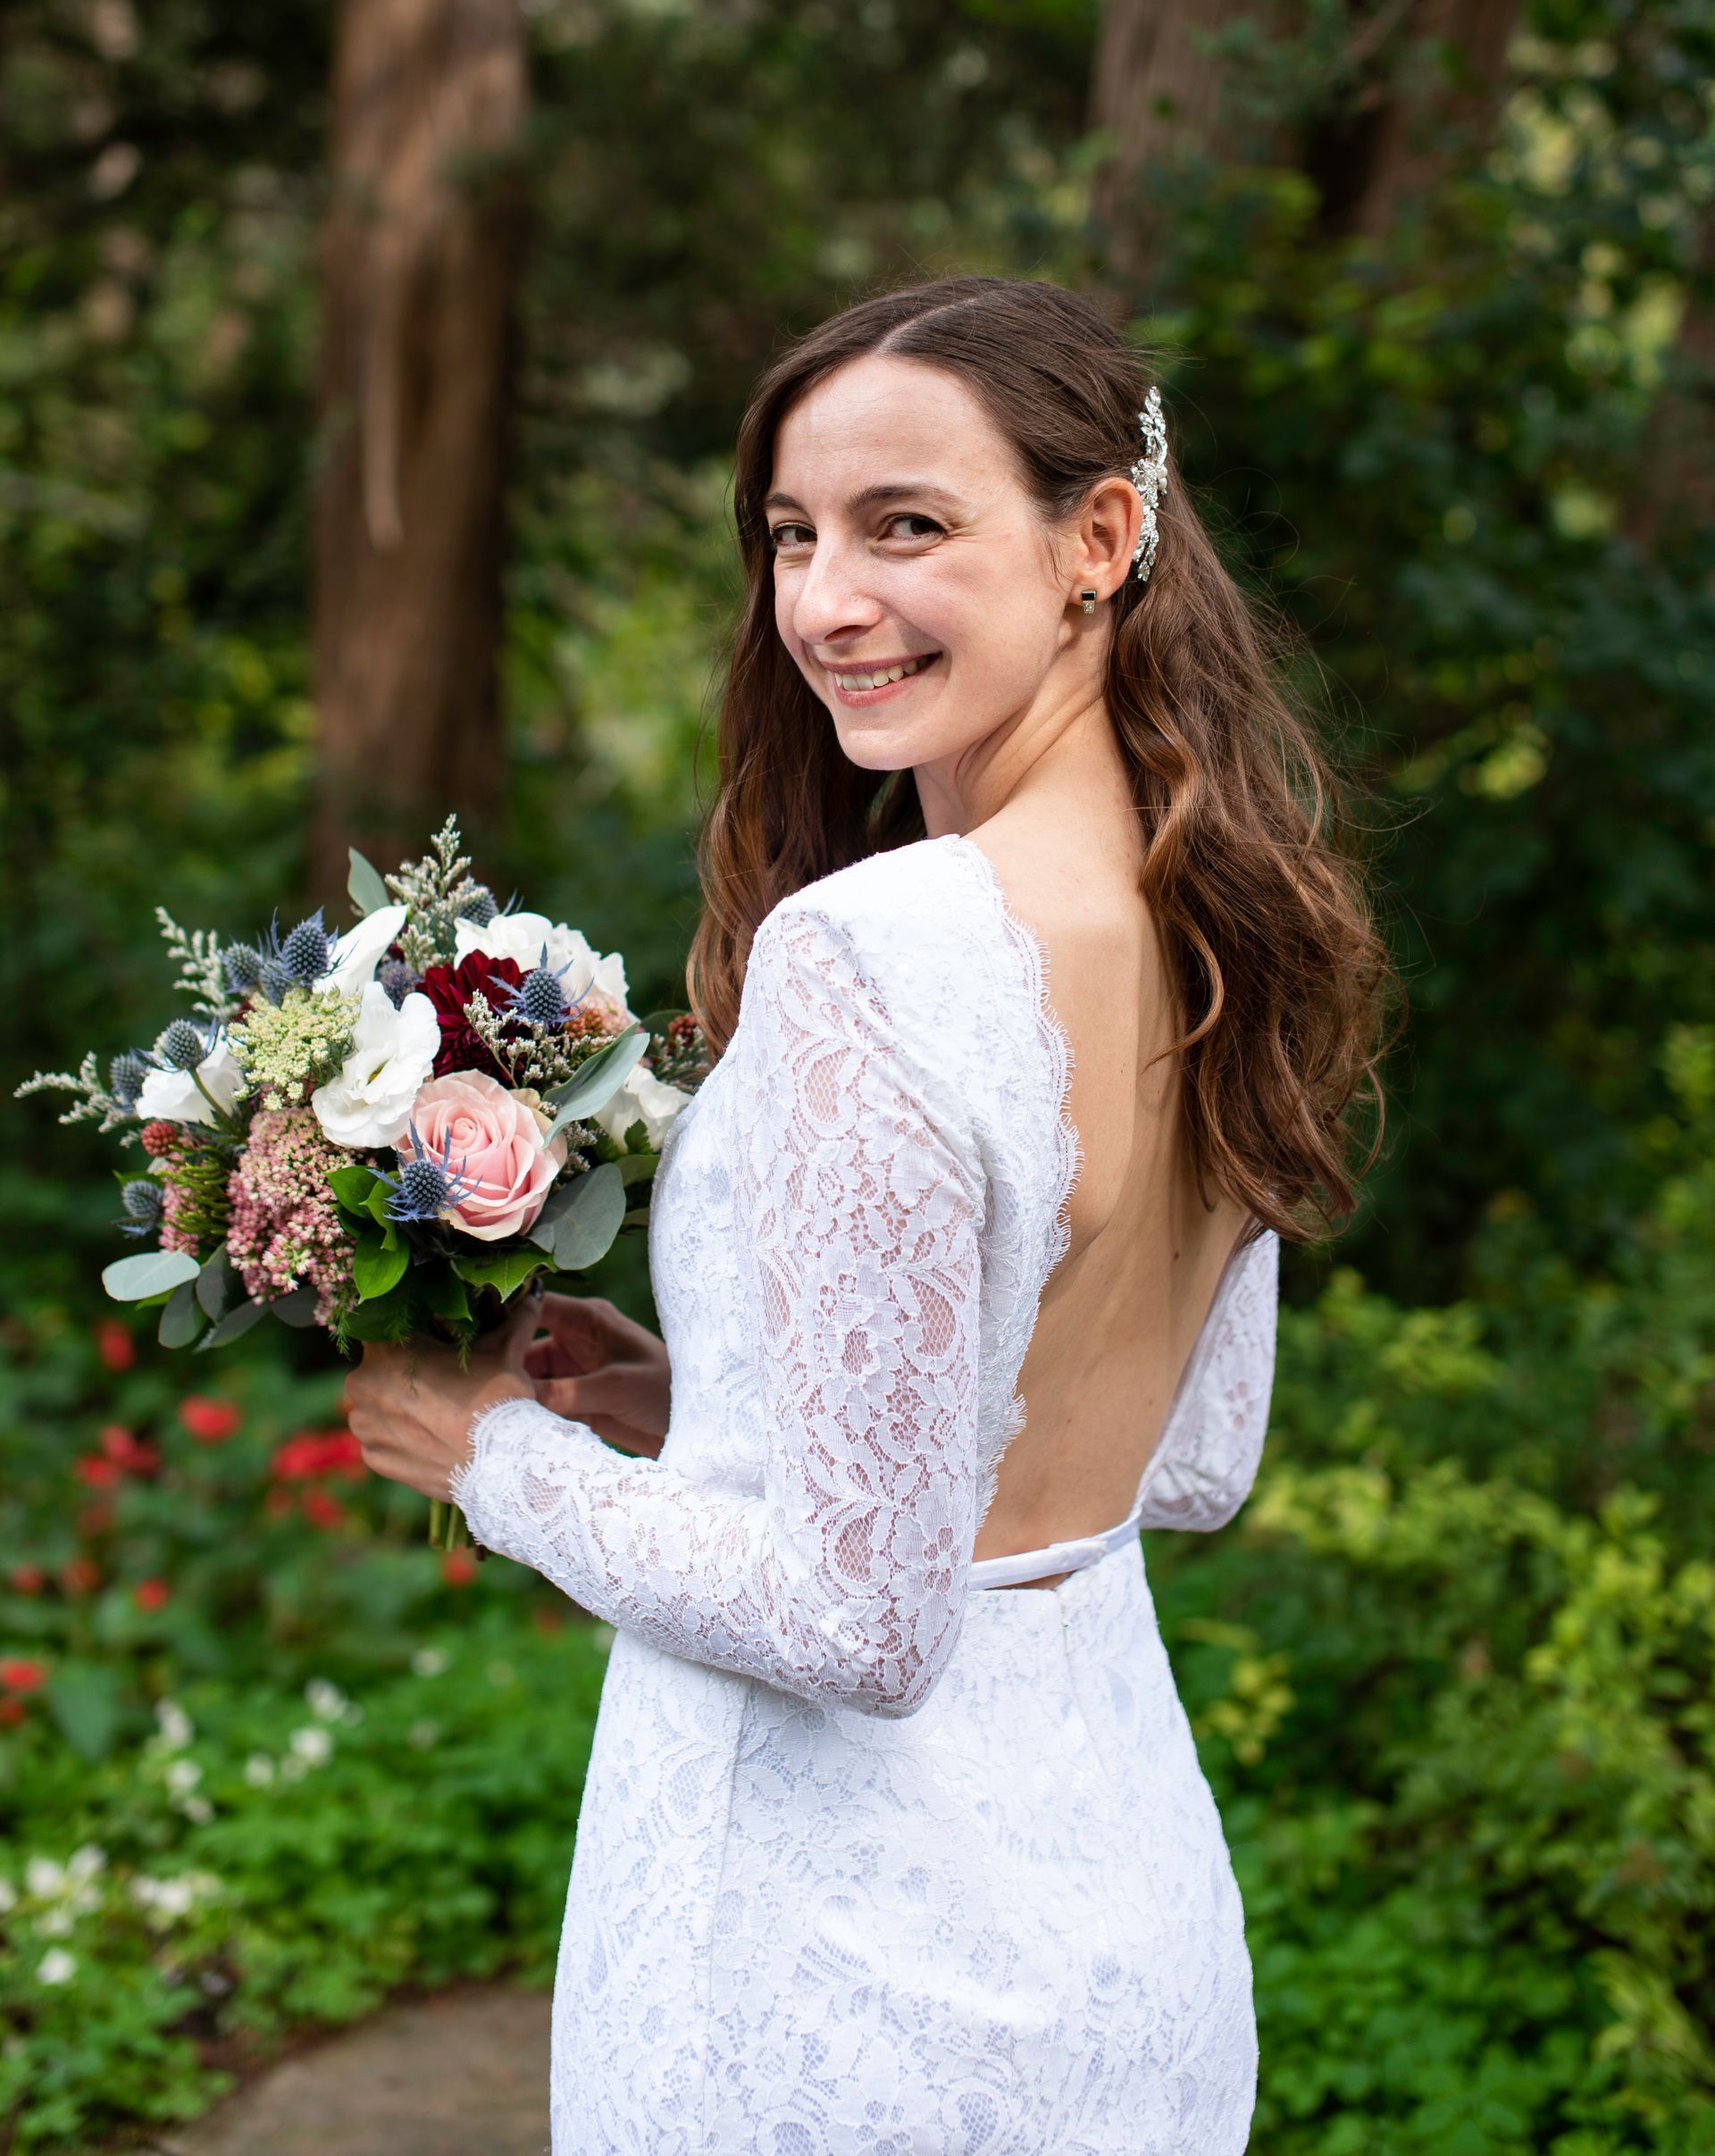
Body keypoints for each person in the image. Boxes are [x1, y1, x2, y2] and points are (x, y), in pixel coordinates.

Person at [346, 275, 1389, 2154]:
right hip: (1118, 1923)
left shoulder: (875, 951)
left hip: (833, 1968)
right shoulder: (1231, 915)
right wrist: (704, 1403)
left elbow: (865, 1624)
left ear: (1101, 535)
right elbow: (1174, 1463)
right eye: (793, 536)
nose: (827, 600)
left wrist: (494, 1455)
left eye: (906, 525)